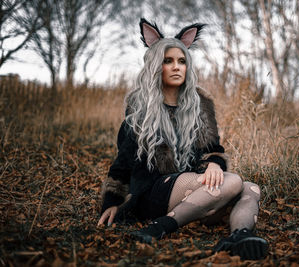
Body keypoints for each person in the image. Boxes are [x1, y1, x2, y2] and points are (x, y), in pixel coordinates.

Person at [98, 18, 268, 260]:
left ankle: (238, 237)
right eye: (168, 61)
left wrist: (213, 163)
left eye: (181, 61)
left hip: (195, 190)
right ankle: (159, 227)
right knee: (232, 182)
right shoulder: (140, 108)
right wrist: (111, 204)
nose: (176, 67)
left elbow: (213, 148)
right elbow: (122, 163)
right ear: (156, 66)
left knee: (251, 188)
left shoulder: (201, 105)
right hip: (152, 192)